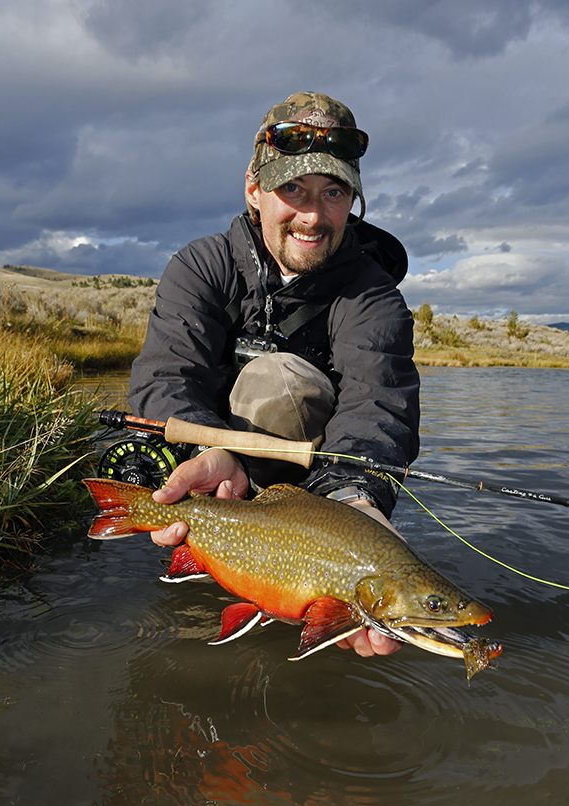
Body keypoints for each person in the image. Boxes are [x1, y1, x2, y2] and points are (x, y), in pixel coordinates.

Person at [128, 91, 420, 658]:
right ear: (253, 189)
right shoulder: (202, 267)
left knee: (279, 383)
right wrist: (199, 459)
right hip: (215, 485)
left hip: (320, 504)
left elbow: (377, 405)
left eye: (333, 193)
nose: (313, 216)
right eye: (294, 190)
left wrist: (356, 503)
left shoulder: (373, 295)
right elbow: (167, 380)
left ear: (351, 202)